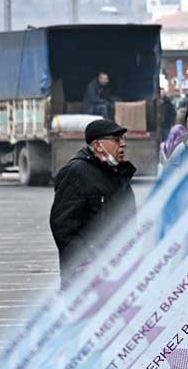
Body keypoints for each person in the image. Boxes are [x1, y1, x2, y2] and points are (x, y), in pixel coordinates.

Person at [49, 119, 138, 290]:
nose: (123, 144)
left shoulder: (118, 173)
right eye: (116, 139)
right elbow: (63, 225)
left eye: (123, 139)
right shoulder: (77, 172)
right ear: (98, 146)